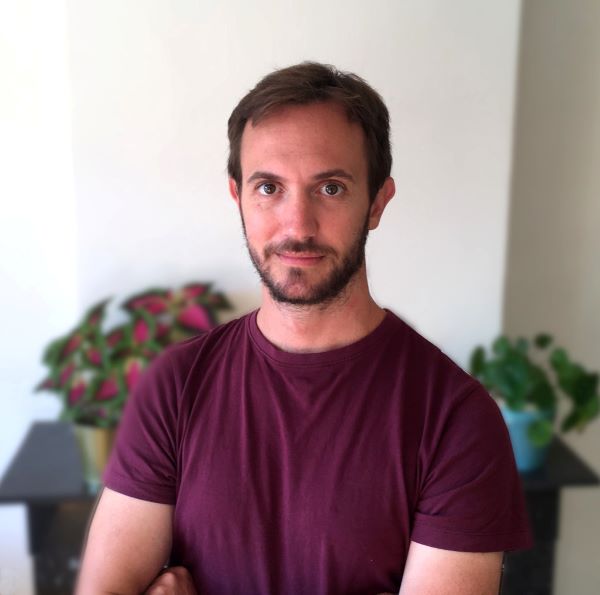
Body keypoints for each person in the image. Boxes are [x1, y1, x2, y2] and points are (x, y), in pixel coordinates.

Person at [76, 62, 532, 594]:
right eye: (269, 187)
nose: (297, 225)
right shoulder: (175, 386)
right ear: (238, 197)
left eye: (330, 188)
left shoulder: (456, 418)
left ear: (377, 202)